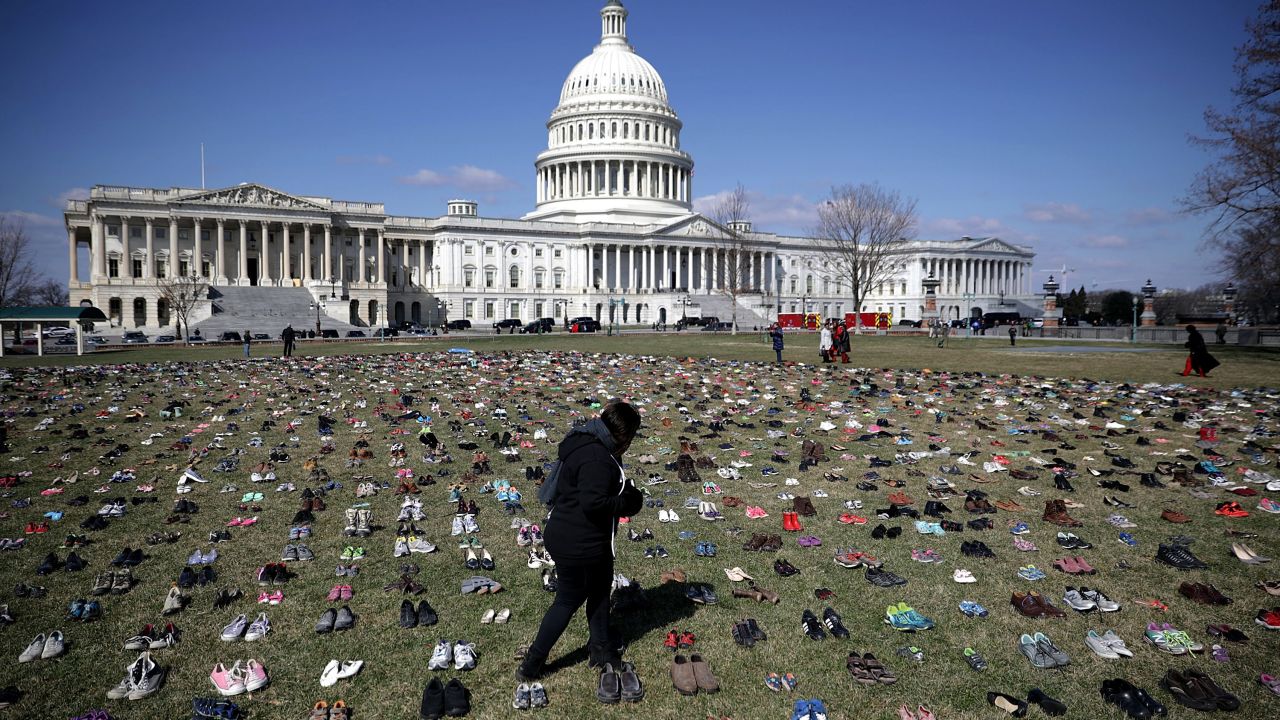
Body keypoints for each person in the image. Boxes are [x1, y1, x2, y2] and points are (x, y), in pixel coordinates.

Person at [517, 400, 643, 681]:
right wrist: (626, 503)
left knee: (599, 592)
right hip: (579, 540)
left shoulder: (585, 439)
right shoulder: (597, 458)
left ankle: (600, 648)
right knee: (567, 601)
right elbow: (593, 503)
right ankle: (532, 662)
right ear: (623, 435)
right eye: (631, 438)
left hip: (575, 533)